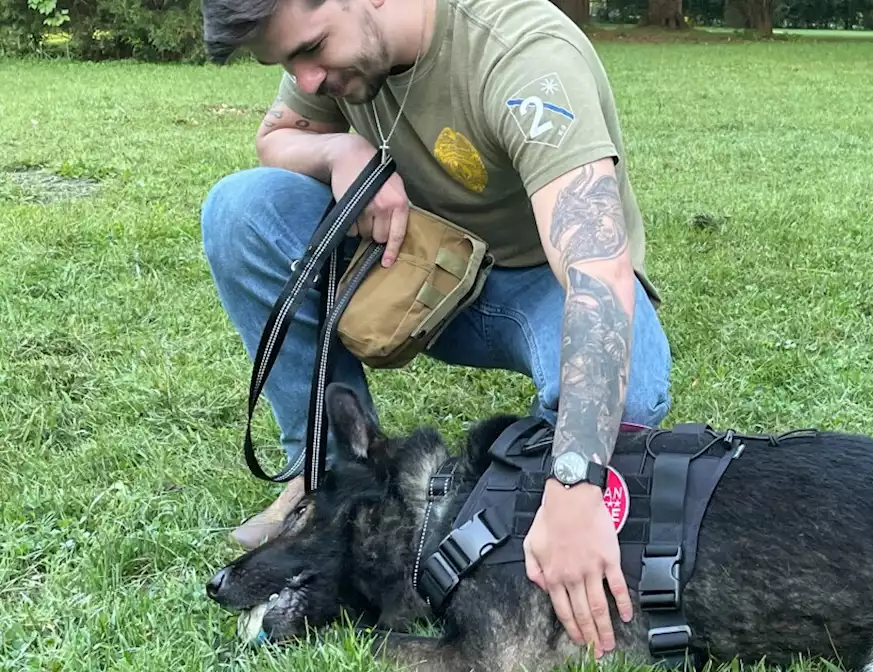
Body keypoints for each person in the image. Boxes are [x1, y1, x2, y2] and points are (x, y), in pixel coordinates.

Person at [198, 0, 673, 657]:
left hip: (538, 283)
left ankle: (531, 509)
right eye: (285, 63)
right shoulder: (332, 61)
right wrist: (343, 149)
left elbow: (595, 272)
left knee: (629, 397)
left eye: (310, 49)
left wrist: (572, 482)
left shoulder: (522, 53)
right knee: (239, 210)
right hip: (414, 273)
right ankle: (326, 475)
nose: (305, 78)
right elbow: (275, 134)